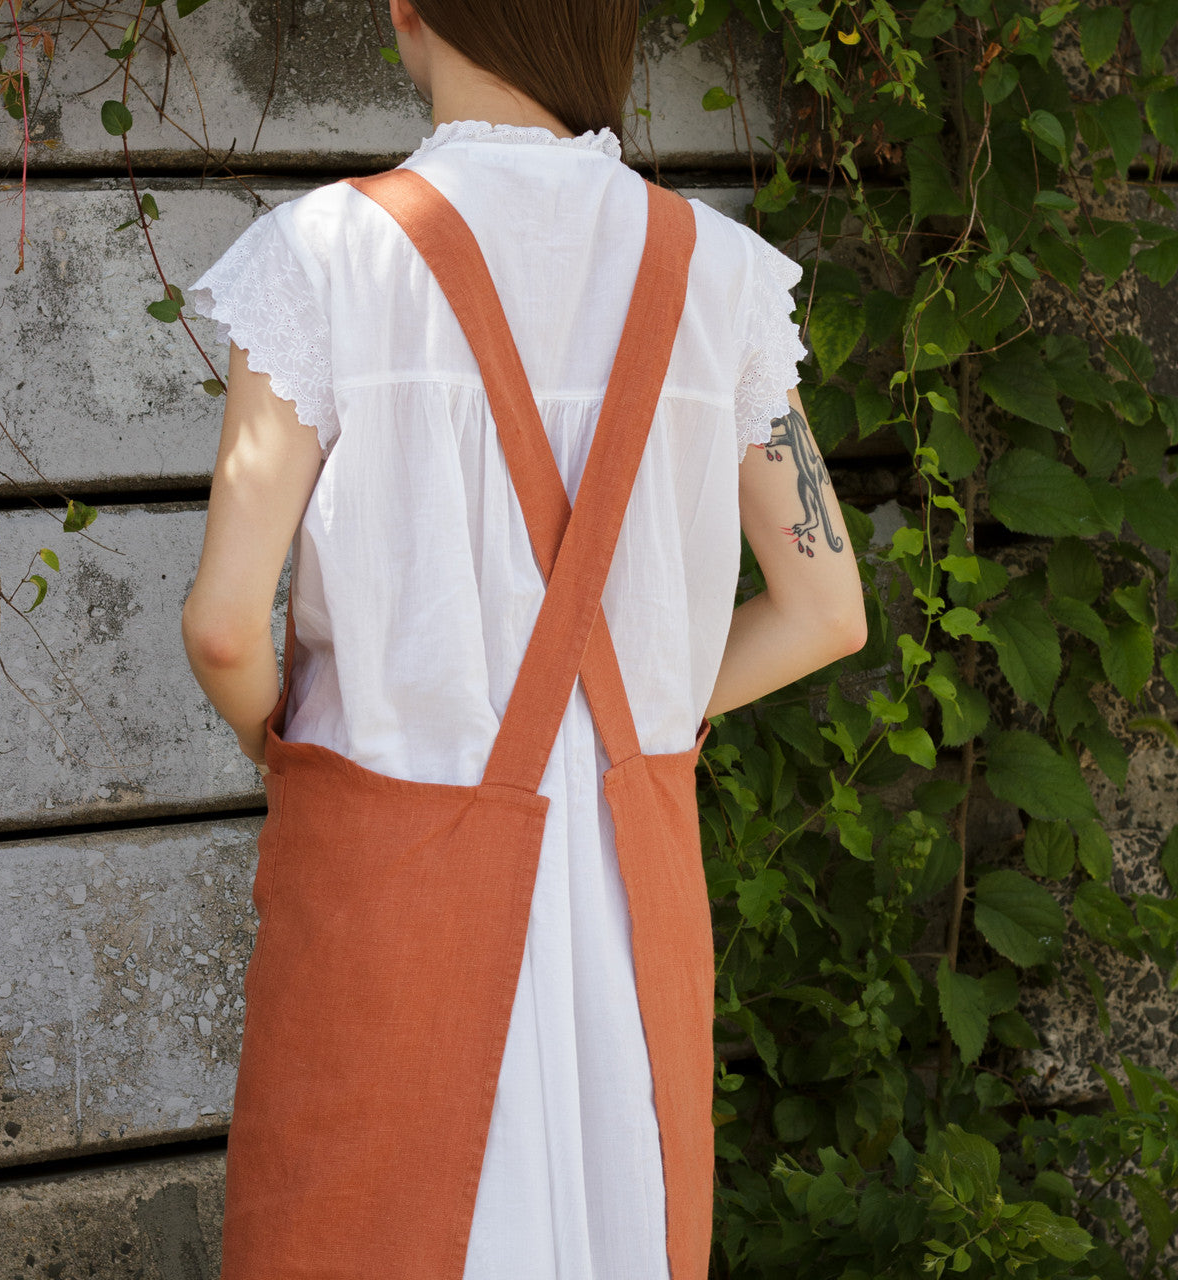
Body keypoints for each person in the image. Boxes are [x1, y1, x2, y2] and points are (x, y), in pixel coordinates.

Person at [181, 1, 866, 1276]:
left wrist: (287, 754)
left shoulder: (322, 256)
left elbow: (225, 626)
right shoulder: (718, 274)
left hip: (390, 879)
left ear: (410, 11)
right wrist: (647, 718)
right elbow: (828, 607)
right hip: (630, 875)